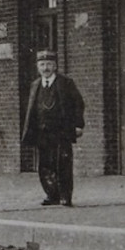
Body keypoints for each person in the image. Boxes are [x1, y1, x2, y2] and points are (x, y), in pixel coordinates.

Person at [20, 49, 85, 207]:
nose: (45, 68)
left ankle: (65, 196)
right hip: (42, 132)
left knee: (63, 163)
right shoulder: (35, 85)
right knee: (45, 165)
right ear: (37, 67)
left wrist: (78, 124)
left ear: (55, 66)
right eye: (42, 64)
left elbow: (78, 104)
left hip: (61, 131)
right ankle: (52, 194)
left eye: (49, 64)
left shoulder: (65, 83)